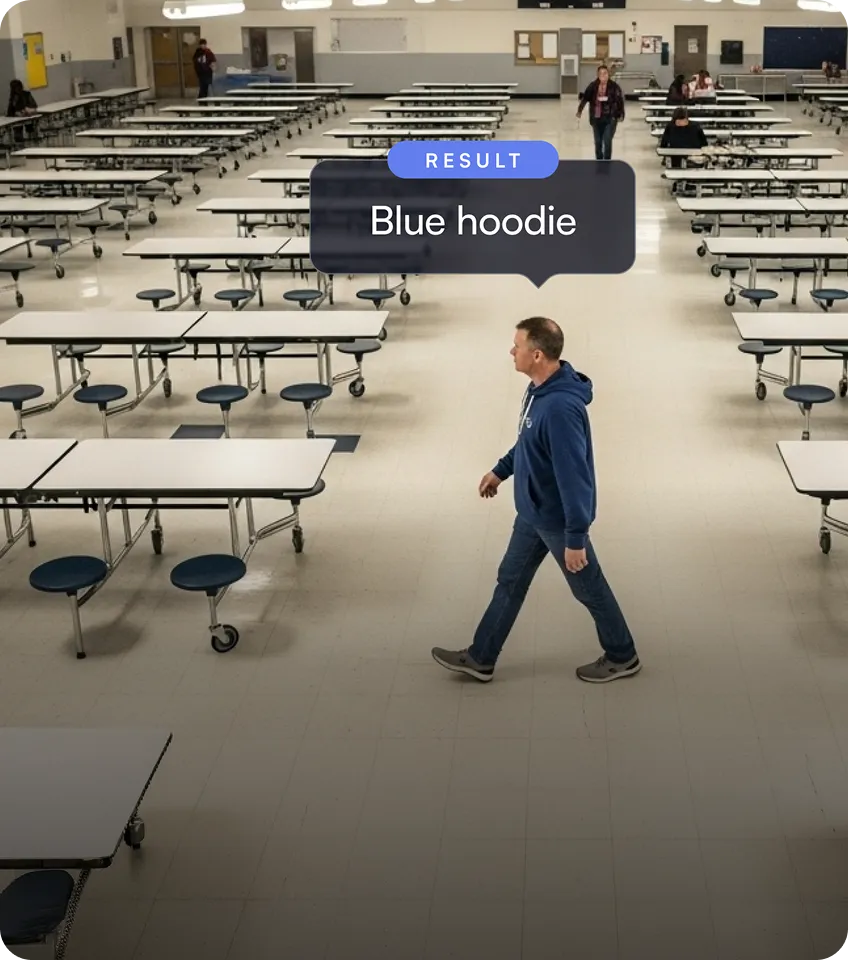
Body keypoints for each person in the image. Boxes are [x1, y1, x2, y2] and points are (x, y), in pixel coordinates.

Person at [431, 317, 640, 685]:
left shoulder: (559, 410)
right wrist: (501, 471)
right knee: (509, 581)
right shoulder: (537, 390)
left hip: (558, 521)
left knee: (589, 588)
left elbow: (575, 479)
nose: (512, 351)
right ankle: (481, 657)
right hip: (532, 512)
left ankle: (622, 655)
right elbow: (529, 443)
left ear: (538, 354)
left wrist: (576, 538)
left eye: (517, 346)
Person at [576, 65, 625, 161]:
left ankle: (607, 162)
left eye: (605, 73)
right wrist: (579, 110)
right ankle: (599, 161)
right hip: (596, 118)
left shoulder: (614, 87)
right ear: (598, 75)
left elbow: (620, 101)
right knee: (598, 142)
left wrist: (621, 113)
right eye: (601, 74)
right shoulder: (593, 86)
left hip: (610, 117)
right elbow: (585, 98)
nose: (603, 76)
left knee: (607, 141)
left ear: (608, 74)